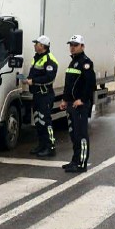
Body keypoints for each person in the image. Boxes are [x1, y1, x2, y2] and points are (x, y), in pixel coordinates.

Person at [59, 35, 96, 173]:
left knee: (81, 135)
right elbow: (68, 85)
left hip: (80, 105)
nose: (72, 47)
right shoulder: (72, 62)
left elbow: (90, 84)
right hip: (70, 105)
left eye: (75, 45)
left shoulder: (86, 63)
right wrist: (64, 99)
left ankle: (81, 163)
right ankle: (75, 160)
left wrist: (83, 99)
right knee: (74, 135)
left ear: (82, 46)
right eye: (71, 45)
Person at [25, 35, 59, 157]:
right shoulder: (37, 58)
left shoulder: (49, 59)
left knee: (46, 121)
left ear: (43, 46)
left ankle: (50, 147)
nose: (34, 45)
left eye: (37, 43)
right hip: (37, 95)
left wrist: (33, 81)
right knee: (38, 122)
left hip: (45, 95)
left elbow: (49, 78)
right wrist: (28, 79)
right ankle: (41, 145)